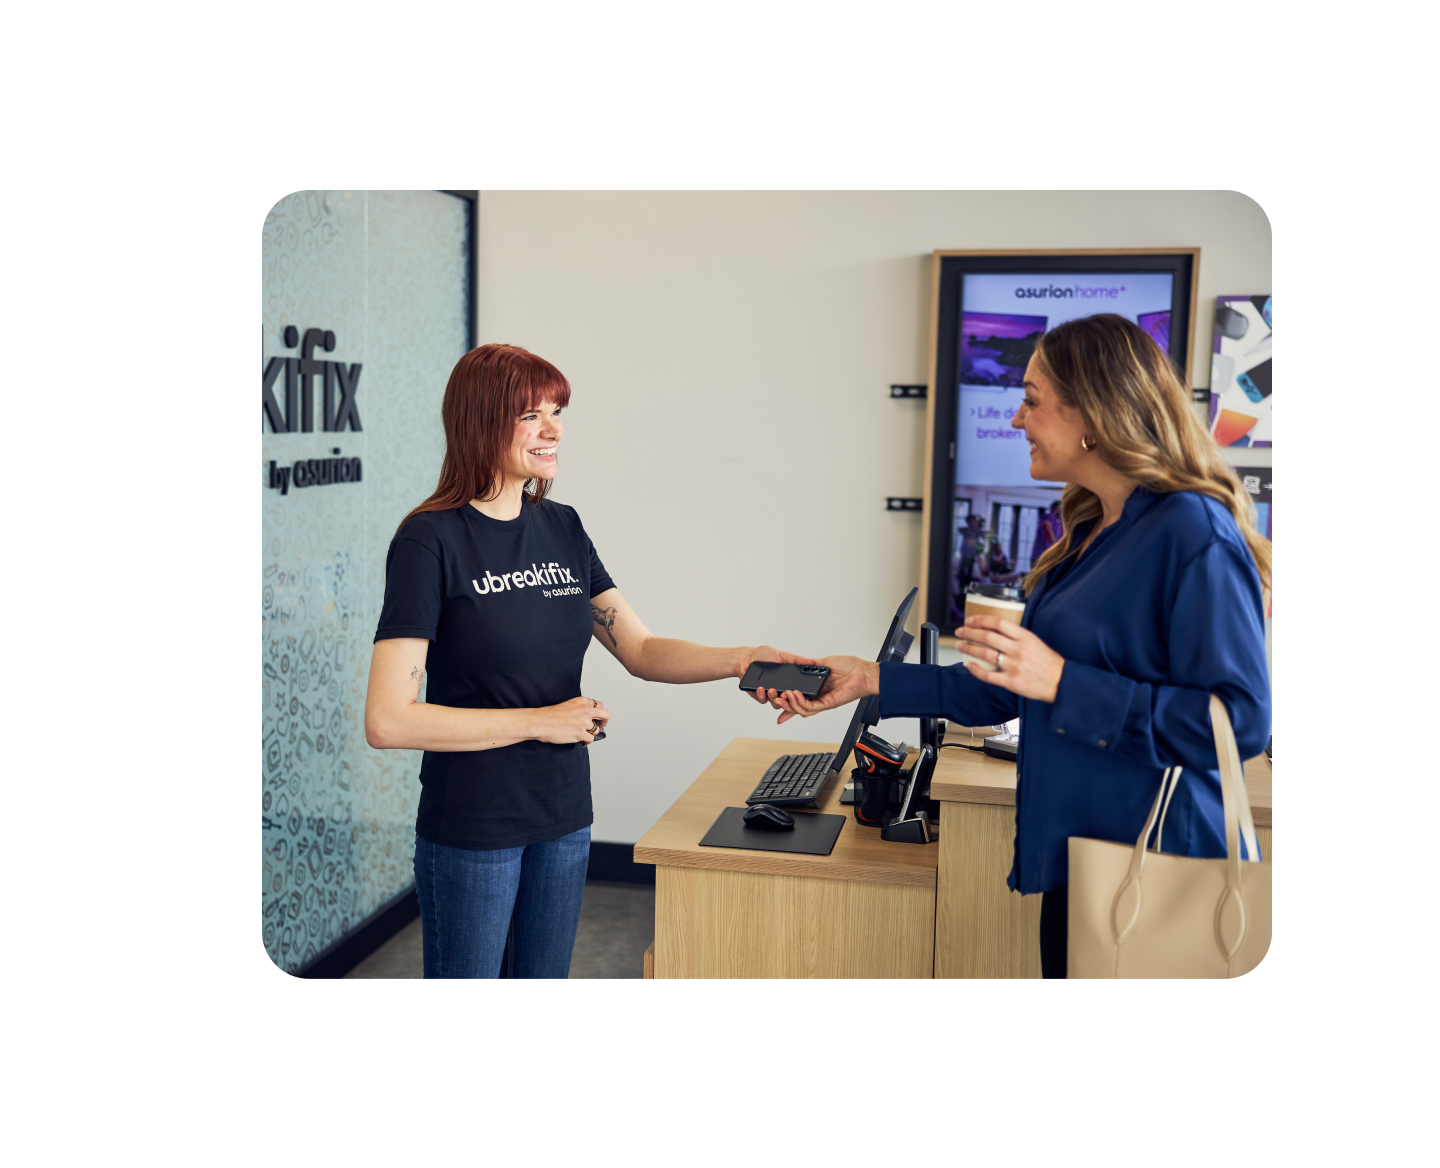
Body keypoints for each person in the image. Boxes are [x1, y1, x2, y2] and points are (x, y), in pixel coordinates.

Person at [753, 314, 1272, 979]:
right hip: (1082, 861)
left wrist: (1062, 682)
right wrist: (870, 678)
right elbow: (1009, 686)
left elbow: (1241, 720)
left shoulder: (1192, 532)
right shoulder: (1091, 529)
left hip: (1158, 864)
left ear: (1094, 414)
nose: (1016, 418)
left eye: (1031, 400)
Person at [366, 344, 800, 979]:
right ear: (479, 422)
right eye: (531, 415)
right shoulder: (429, 540)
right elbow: (389, 720)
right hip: (474, 826)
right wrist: (541, 721)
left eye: (557, 412)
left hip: (563, 815)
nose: (554, 430)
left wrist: (742, 659)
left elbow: (641, 649)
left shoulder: (562, 527)